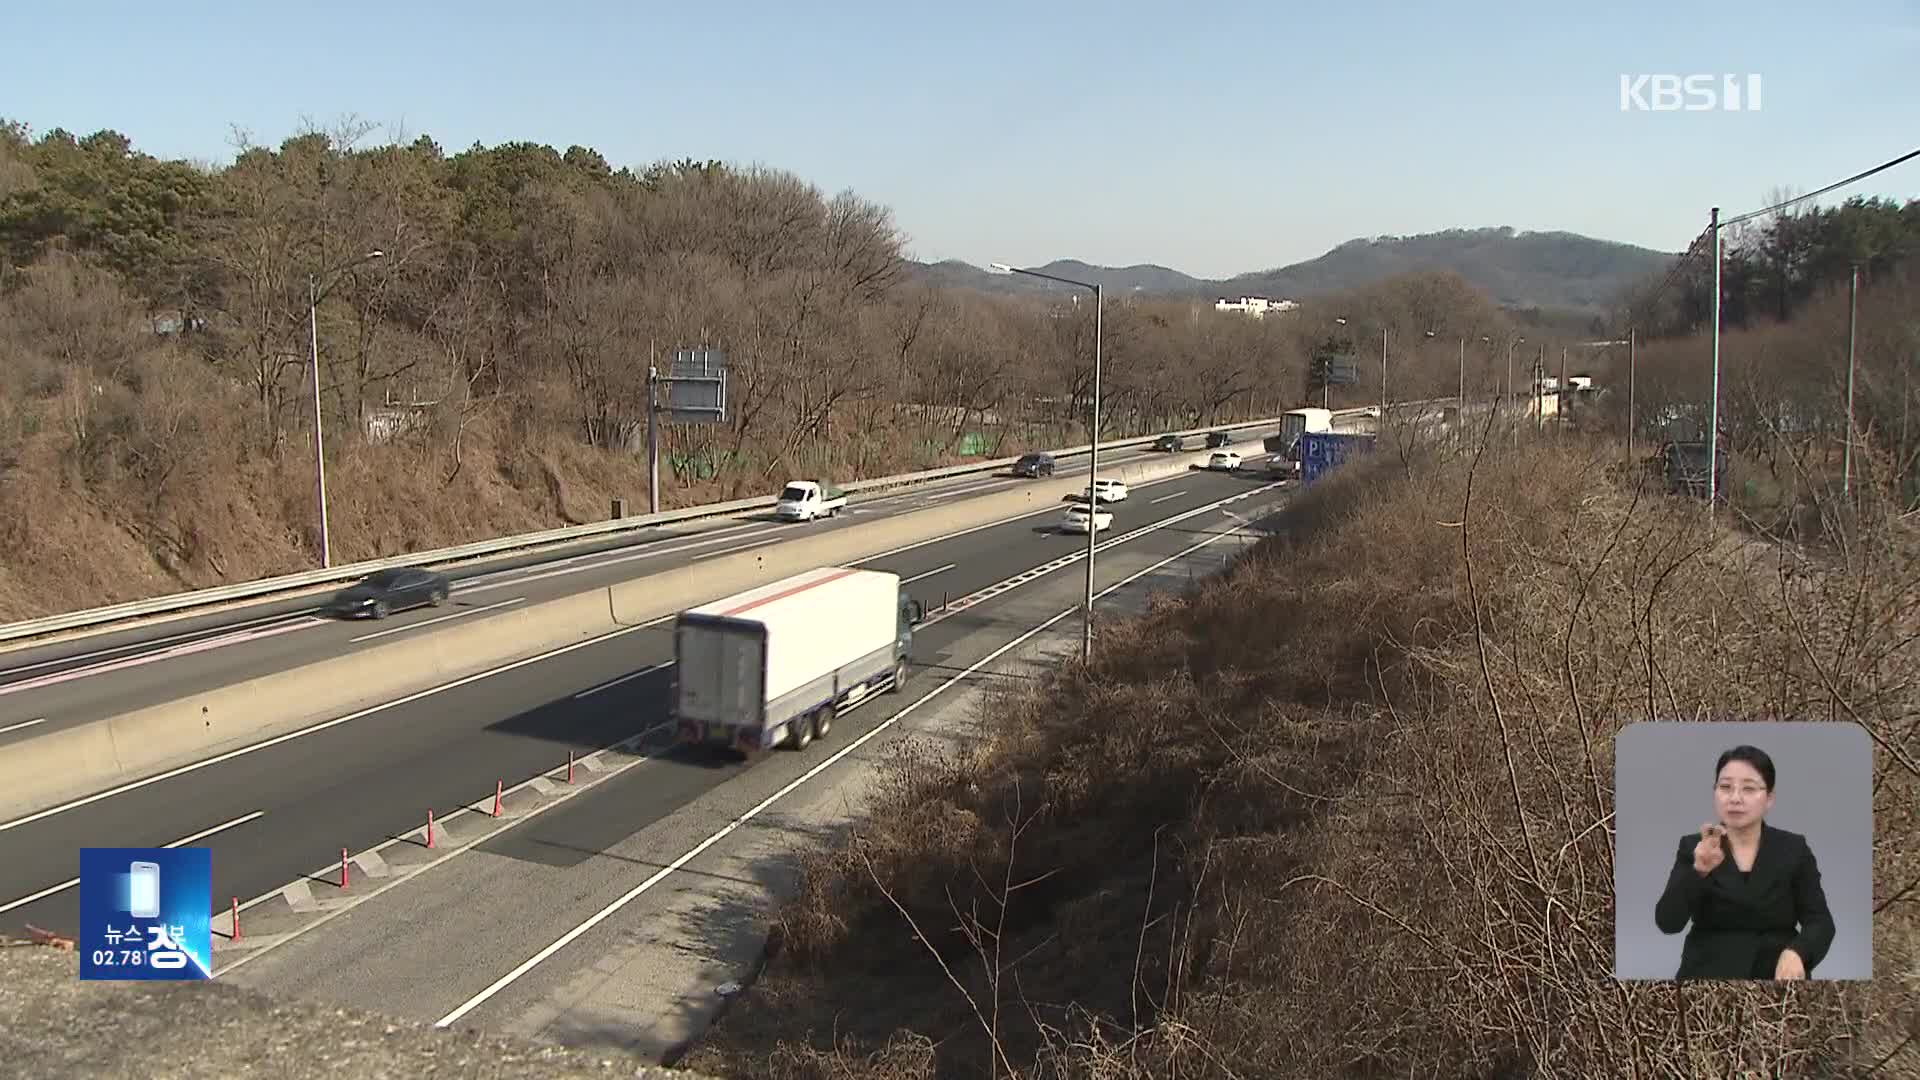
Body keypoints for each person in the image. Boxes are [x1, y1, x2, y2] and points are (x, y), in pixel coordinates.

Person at [1654, 744, 1835, 979]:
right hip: (1706, 980)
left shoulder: (1793, 849)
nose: (1735, 798)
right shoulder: (1694, 847)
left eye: (1749, 789)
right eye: (1725, 787)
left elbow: (1820, 922)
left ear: (1769, 798)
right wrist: (1698, 870)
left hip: (1777, 982)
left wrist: (1798, 952)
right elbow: (1668, 922)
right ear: (1715, 792)